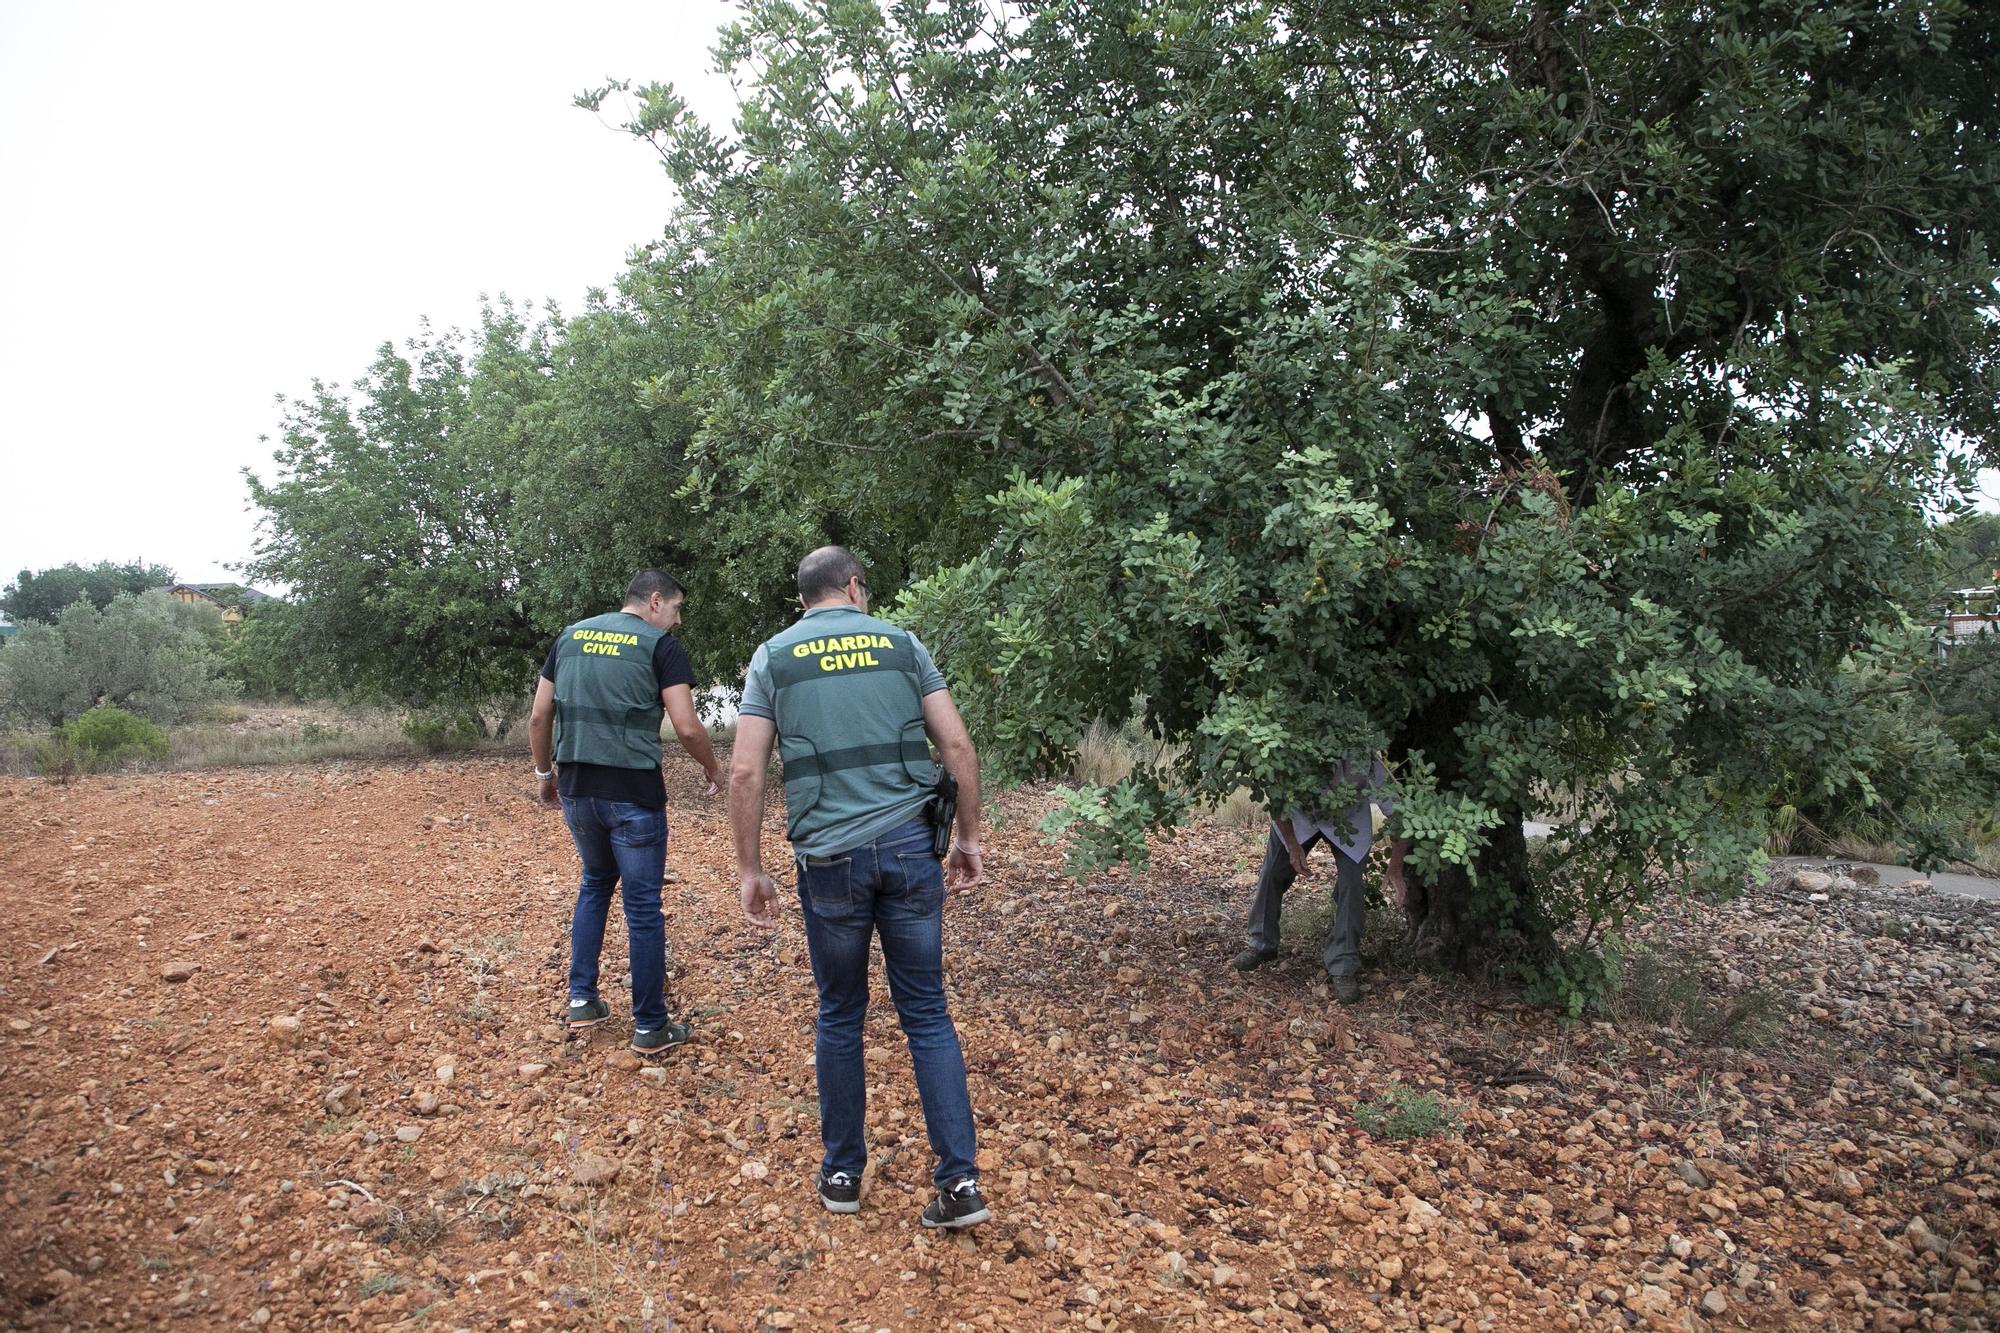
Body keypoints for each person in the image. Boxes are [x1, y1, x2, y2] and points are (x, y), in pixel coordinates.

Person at [730, 546, 990, 1230]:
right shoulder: (903, 644)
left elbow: (747, 774)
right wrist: (967, 839)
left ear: (805, 597)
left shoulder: (773, 657)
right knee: (927, 1013)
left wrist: (749, 868)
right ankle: (960, 1183)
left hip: (830, 860)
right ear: (854, 587)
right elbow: (958, 748)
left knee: (840, 1011)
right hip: (910, 848)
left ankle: (843, 1172)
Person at [529, 569, 722, 1055]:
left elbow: (539, 715)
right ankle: (650, 1026)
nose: (676, 622)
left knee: (595, 882)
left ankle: (581, 1001)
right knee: (642, 908)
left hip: (576, 788)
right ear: (654, 601)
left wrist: (543, 775)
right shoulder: (659, 647)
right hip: (633, 792)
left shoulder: (569, 637)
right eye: (676, 609)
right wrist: (714, 769)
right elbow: (686, 726)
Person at [1233, 755, 1407, 1005]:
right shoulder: (1294, 751)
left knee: (1352, 885)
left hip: (1348, 822)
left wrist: (1396, 868)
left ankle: (1343, 965)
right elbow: (1278, 800)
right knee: (1273, 872)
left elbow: (1399, 815)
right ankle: (1261, 944)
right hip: (1299, 817)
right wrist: (1293, 846)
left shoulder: (1367, 759)